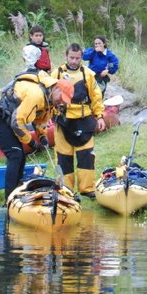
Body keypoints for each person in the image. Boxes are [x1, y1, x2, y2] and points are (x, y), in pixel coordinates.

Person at [0, 46, 60, 199]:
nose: (61, 105)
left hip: (9, 117)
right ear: (54, 92)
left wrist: (42, 136)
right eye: (61, 101)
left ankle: (17, 191)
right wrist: (31, 142)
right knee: (15, 154)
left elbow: (39, 120)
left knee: (20, 156)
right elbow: (17, 123)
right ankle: (9, 199)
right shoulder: (36, 95)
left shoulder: (51, 102)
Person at [54, 43, 106, 197]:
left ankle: (87, 188)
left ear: (81, 58)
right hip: (63, 120)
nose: (74, 61)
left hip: (84, 119)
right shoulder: (56, 73)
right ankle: (66, 189)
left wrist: (100, 116)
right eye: (71, 58)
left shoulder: (88, 74)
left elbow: (96, 97)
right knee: (63, 157)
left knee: (86, 156)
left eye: (77, 58)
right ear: (66, 56)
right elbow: (48, 96)